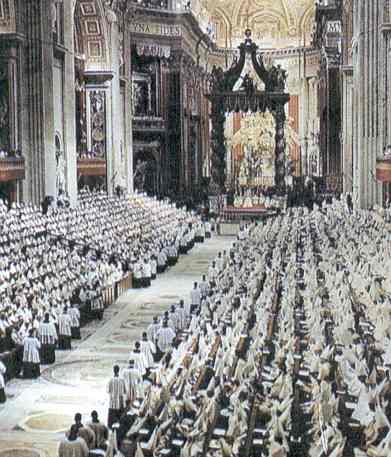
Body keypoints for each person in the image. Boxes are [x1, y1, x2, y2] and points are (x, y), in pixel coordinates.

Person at [107, 365, 126, 429]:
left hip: (112, 404)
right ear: (119, 370)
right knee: (120, 422)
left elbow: (108, 391)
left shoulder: (110, 380)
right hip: (120, 403)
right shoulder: (122, 380)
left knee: (111, 424)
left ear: (113, 370)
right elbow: (125, 391)